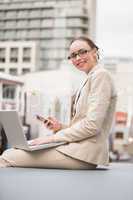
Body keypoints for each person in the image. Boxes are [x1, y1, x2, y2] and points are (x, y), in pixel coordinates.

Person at [0, 36, 117, 169]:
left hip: (83, 154)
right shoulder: (91, 77)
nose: (78, 58)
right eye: (73, 55)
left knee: (8, 156)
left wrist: (50, 139)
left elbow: (92, 126)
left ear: (95, 51)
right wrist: (60, 127)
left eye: (83, 52)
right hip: (77, 150)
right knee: (11, 152)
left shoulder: (100, 76)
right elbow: (84, 125)